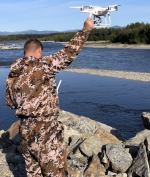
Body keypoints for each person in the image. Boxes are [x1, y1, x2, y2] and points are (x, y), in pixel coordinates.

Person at [6, 17, 94, 177]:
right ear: (39, 50)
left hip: (25, 133)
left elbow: (10, 104)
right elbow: (68, 54)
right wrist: (85, 30)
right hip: (46, 131)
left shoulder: (13, 75)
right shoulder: (42, 65)